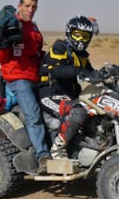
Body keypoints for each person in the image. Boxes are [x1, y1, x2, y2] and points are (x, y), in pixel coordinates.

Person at [0, 0, 51, 174]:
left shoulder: (33, 28)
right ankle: (43, 156)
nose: (30, 9)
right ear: (19, 6)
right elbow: (0, 56)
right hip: (18, 78)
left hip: (34, 76)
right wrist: (2, 41)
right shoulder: (11, 25)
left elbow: (37, 53)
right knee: (34, 115)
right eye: (27, 6)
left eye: (34, 7)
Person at [38, 15, 102, 159]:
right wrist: (79, 71)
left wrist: (107, 74)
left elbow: (91, 73)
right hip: (49, 93)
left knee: (95, 111)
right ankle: (57, 149)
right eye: (77, 35)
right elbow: (57, 70)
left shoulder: (82, 55)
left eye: (84, 37)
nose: (80, 40)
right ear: (69, 33)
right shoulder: (60, 47)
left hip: (68, 96)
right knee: (78, 113)